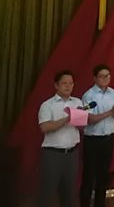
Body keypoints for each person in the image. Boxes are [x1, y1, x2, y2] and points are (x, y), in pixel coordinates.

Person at [38, 69, 83, 207]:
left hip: (72, 154)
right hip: (53, 154)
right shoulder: (47, 105)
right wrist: (68, 118)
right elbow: (45, 127)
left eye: (71, 83)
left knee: (69, 193)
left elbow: (81, 127)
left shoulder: (77, 102)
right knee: (47, 191)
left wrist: (81, 119)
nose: (68, 86)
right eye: (64, 83)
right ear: (56, 85)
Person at [80, 64, 114, 207]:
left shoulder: (113, 93)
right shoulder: (88, 95)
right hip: (92, 140)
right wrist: (111, 112)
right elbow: (90, 119)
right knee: (89, 176)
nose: (105, 78)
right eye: (102, 76)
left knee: (103, 176)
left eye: (107, 76)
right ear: (95, 78)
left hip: (108, 139)